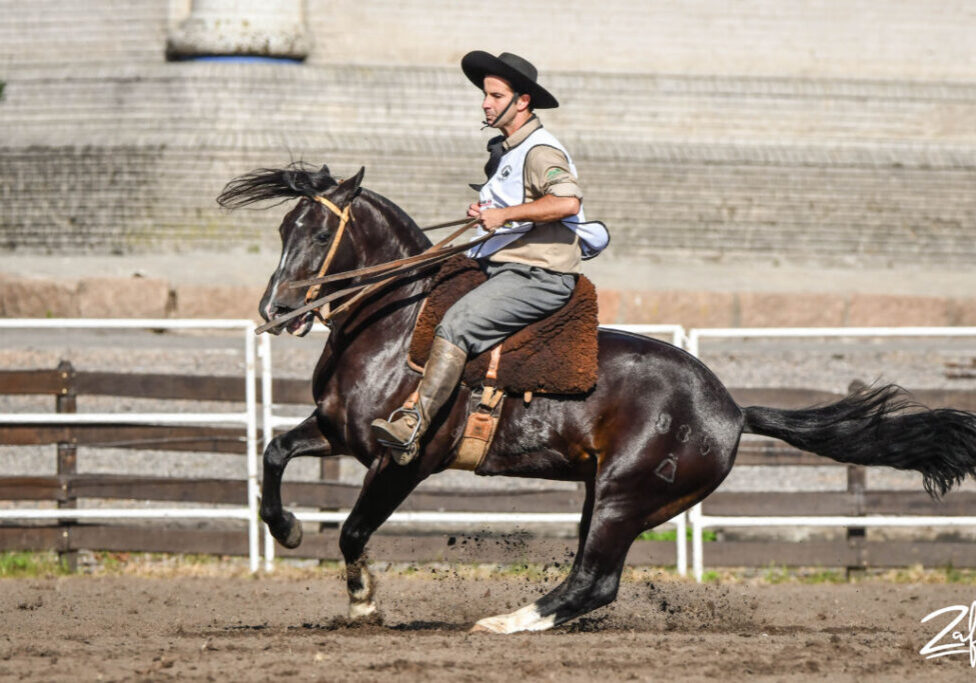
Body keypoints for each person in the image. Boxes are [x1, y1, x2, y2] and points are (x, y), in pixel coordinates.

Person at [371, 51, 608, 465]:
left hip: (540, 275)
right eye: (486, 95)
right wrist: (487, 215)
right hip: (503, 265)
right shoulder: (510, 150)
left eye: (496, 96)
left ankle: (413, 426)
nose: (486, 103)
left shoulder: (540, 151)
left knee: (457, 325)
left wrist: (505, 214)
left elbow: (567, 202)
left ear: (523, 101)